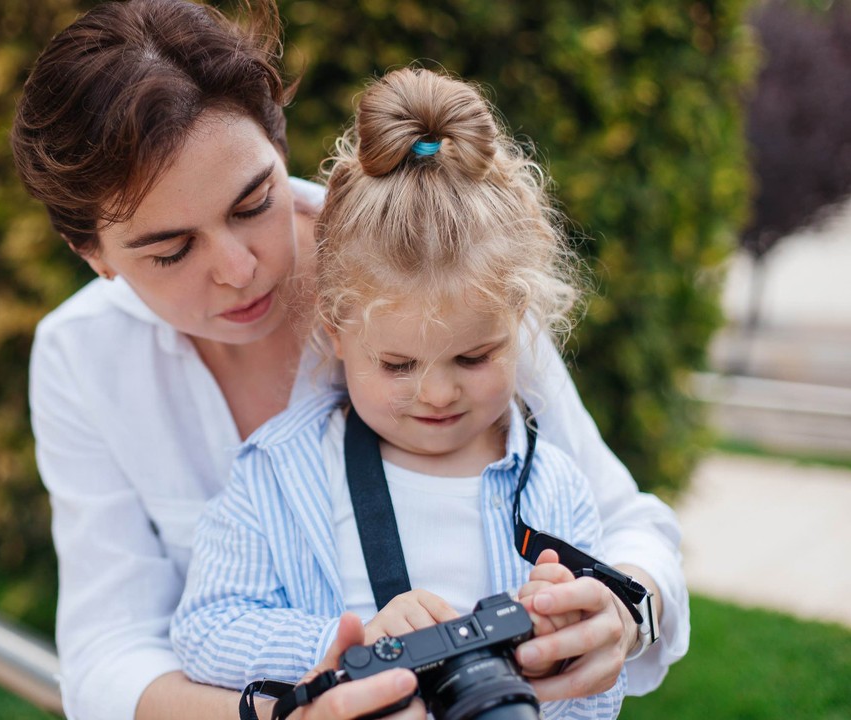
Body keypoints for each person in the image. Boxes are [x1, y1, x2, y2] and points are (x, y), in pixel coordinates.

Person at [9, 1, 688, 719]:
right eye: (172, 251)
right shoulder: (81, 357)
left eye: (253, 203)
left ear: (278, 145)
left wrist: (621, 613)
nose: (238, 269)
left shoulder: (439, 261)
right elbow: (107, 651)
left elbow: (626, 524)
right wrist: (292, 713)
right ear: (93, 255)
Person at [170, 66, 626, 719]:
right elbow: (205, 628)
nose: (437, 393)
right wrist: (353, 646)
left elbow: (598, 697)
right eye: (398, 364)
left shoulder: (555, 487)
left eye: (473, 356)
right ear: (336, 332)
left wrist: (564, 651)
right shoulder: (279, 473)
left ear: (520, 324)